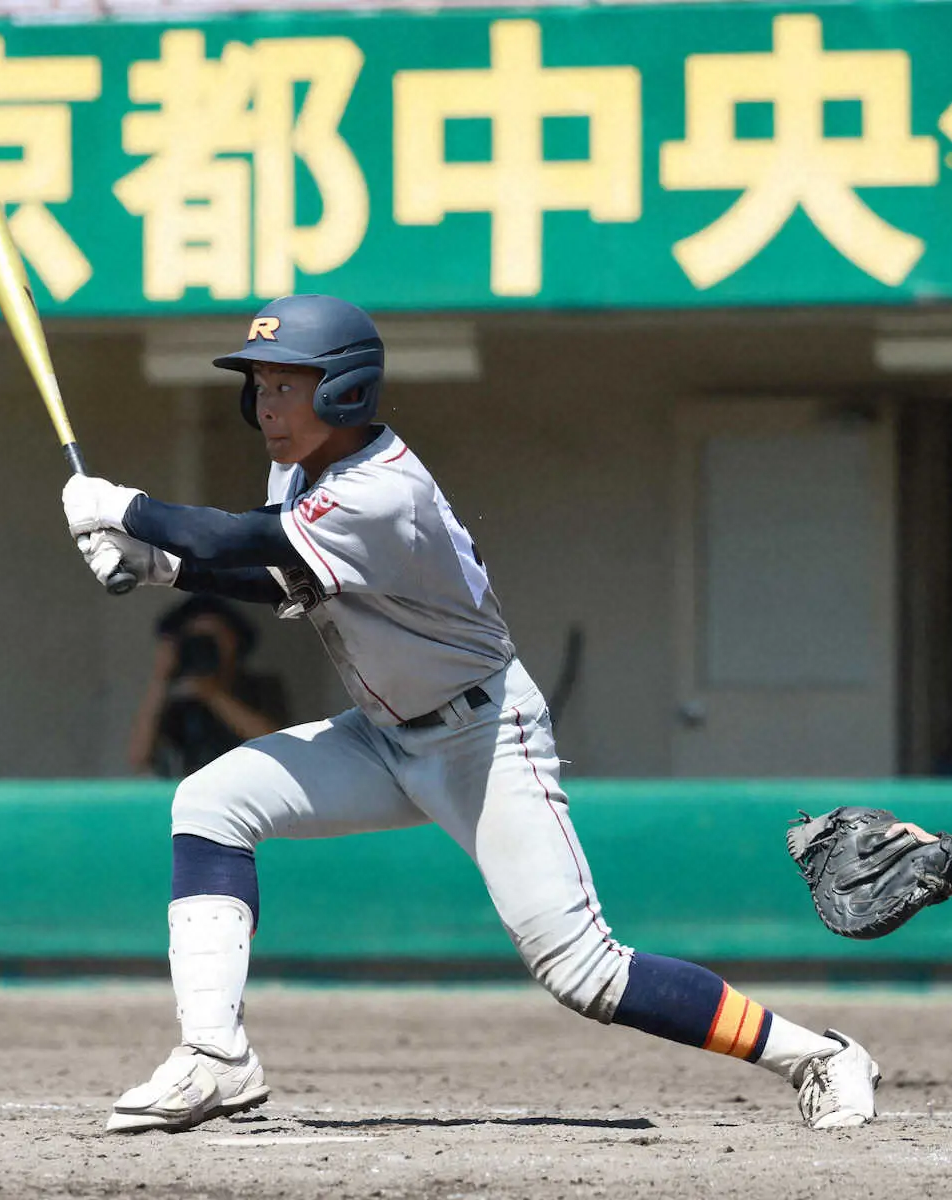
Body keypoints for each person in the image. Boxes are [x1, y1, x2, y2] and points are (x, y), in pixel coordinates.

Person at [61, 294, 881, 1135]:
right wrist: (160, 566)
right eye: (260, 385)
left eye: (286, 384)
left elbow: (249, 541)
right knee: (209, 802)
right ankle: (214, 1058)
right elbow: (283, 573)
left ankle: (818, 1055)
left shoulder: (382, 490)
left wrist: (124, 510)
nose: (266, 404)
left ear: (343, 391)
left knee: (584, 971)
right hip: (382, 736)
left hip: (482, 740)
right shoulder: (301, 474)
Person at [129, 596, 289, 778]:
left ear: (235, 641)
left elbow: (275, 742)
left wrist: (214, 695)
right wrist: (160, 678)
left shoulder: (260, 687)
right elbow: (138, 757)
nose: (204, 648)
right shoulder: (179, 697)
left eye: (213, 639)